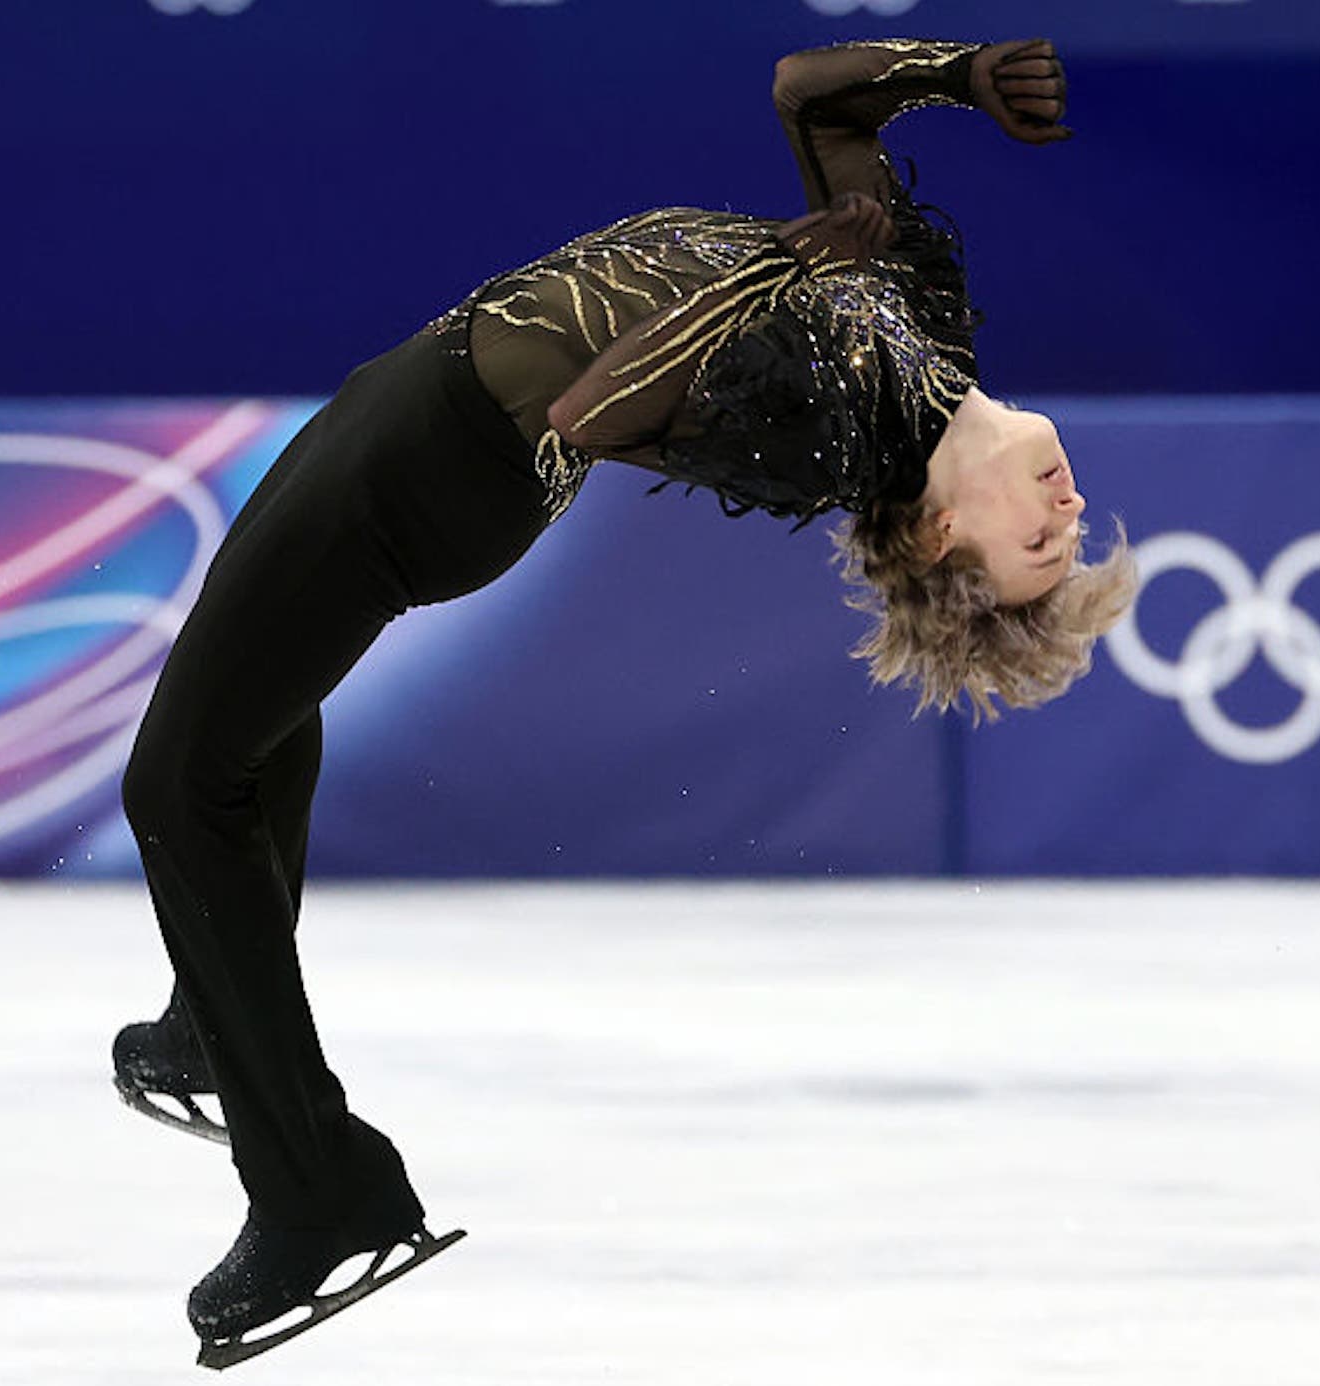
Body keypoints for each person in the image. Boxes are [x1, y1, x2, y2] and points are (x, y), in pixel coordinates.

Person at [112, 35, 1137, 1366]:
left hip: (437, 471)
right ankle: (210, 1027)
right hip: (427, 391)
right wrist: (960, 73)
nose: (1067, 505)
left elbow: (596, 406)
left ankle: (318, 1191)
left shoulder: (833, 438)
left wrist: (777, 268)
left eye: (1041, 546)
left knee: (177, 785)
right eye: (1070, 525)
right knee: (254, 715)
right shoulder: (926, 327)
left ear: (945, 536)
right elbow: (811, 94)